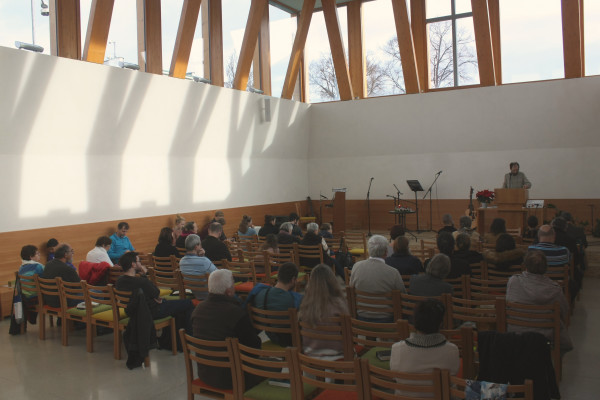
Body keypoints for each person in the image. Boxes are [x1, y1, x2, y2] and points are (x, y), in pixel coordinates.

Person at [191, 269, 261, 390]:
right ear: (228, 292)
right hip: (233, 378)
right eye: (233, 285)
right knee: (275, 365)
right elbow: (254, 348)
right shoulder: (235, 313)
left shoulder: (198, 309)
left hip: (205, 374)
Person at [505, 250, 573, 354]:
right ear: (546, 267)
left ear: (525, 265)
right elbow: (564, 312)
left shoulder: (513, 282)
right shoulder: (555, 289)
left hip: (516, 334)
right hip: (545, 338)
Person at [390, 299, 459, 396]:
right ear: (440, 324)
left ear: (415, 323)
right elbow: (453, 376)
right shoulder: (452, 350)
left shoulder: (397, 349)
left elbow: (394, 377)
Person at [115, 252, 194, 333]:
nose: (141, 263)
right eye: (139, 261)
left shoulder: (119, 280)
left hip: (131, 312)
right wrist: (144, 275)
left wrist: (154, 298)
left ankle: (170, 337)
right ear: (133, 265)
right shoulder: (141, 281)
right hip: (150, 312)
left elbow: (148, 295)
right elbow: (156, 292)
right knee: (188, 303)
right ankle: (188, 337)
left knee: (171, 305)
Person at [349, 235, 406, 322]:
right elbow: (403, 297)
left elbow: (351, 290)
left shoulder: (356, 267)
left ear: (369, 250)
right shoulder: (393, 272)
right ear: (386, 252)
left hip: (361, 318)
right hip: (387, 320)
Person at [298, 264, 349, 359]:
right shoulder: (339, 304)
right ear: (332, 281)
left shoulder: (304, 305)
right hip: (337, 356)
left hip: (310, 355)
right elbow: (348, 333)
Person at [249, 262, 302, 346]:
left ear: (278, 277)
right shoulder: (294, 299)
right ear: (293, 280)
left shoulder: (259, 294)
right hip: (292, 342)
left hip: (270, 337)